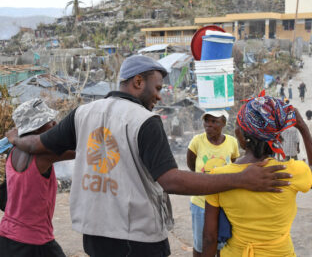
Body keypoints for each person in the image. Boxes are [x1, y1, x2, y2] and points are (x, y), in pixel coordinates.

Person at [6, 55, 291, 257]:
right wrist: (241, 178)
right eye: (157, 88)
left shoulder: (82, 113)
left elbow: (39, 144)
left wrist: (16, 139)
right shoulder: (144, 120)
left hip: (94, 236)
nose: (160, 97)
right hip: (136, 239)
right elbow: (171, 181)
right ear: (138, 82)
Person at [201, 95, 312, 257]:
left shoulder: (219, 177)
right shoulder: (290, 171)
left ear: (240, 133)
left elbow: (209, 237)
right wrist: (301, 126)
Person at [0, 99, 75, 257]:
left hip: (6, 237)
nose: (54, 124)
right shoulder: (43, 156)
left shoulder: (12, 152)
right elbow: (79, 150)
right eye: (49, 122)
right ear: (35, 128)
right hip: (35, 241)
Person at [187, 110, 239, 256]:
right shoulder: (197, 141)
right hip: (201, 202)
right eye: (207, 121)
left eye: (214, 121)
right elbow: (192, 165)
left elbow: (234, 166)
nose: (209, 125)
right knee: (201, 244)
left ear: (223, 123)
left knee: (221, 243)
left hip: (225, 203)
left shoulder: (232, 142)